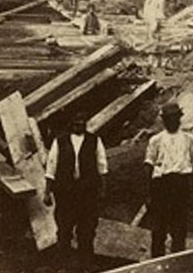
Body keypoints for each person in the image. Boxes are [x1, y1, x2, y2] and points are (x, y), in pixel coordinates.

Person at [44, 111, 108, 270]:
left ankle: (85, 264)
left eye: (82, 122)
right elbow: (51, 167)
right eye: (76, 122)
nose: (79, 125)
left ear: (85, 123)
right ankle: (63, 265)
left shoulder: (94, 140)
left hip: (87, 192)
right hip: (65, 192)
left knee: (87, 229)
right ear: (71, 123)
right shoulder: (60, 141)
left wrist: (102, 189)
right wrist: (47, 192)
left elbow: (102, 166)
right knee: (64, 229)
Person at [145, 102, 193, 258]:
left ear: (179, 118)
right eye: (168, 118)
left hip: (181, 183)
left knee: (179, 227)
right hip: (161, 184)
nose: (172, 121)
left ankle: (177, 264)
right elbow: (149, 165)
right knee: (159, 228)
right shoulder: (155, 140)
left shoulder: (188, 138)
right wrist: (149, 192)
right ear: (164, 120)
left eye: (175, 117)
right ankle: (157, 263)